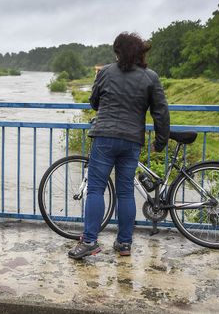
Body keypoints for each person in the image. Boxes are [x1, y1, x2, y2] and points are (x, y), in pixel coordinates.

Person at [68, 32, 170, 259]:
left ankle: (90, 241)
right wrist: (160, 142)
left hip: (104, 137)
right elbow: (161, 112)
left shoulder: (105, 72)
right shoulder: (150, 77)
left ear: (118, 52)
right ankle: (124, 243)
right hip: (132, 140)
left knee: (95, 189)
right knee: (125, 192)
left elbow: (94, 102)